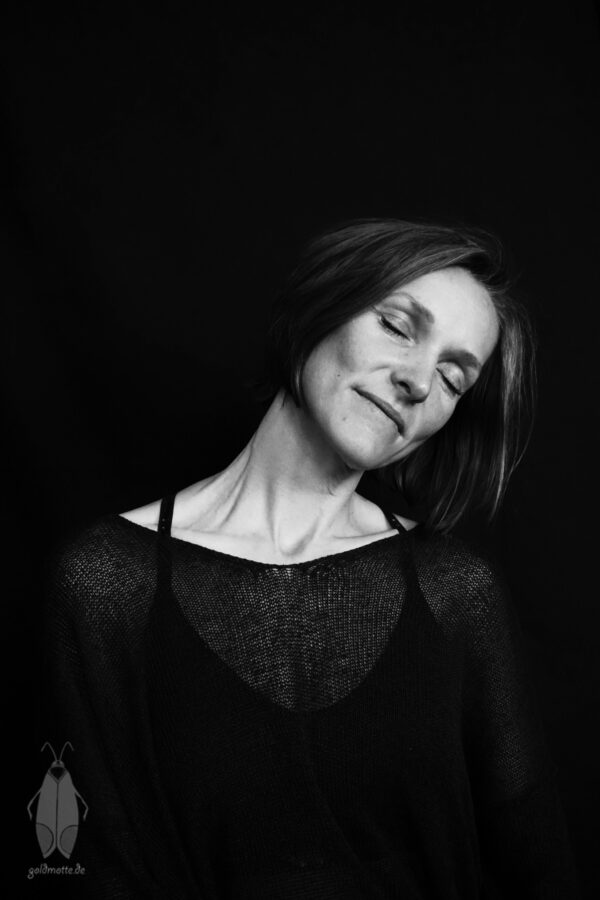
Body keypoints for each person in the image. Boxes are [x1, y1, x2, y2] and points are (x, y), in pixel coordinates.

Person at [41, 218, 581, 899]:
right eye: (397, 326)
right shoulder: (107, 583)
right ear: (322, 305)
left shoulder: (455, 593)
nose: (419, 381)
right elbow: (75, 862)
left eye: (452, 377)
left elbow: (538, 866)